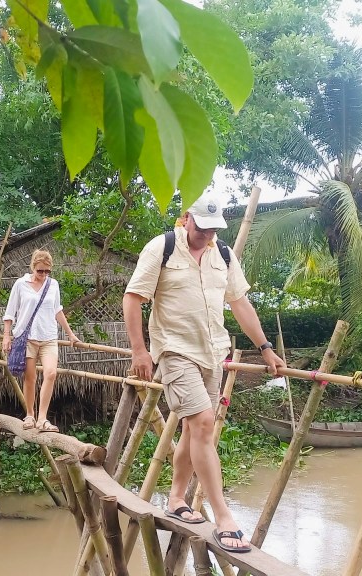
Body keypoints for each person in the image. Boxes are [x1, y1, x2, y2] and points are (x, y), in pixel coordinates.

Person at [123, 194, 284, 553]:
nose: (207, 235)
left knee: (192, 427)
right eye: (201, 227)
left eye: (213, 230)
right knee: (204, 424)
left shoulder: (223, 254)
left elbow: (239, 302)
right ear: (186, 219)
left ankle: (177, 497)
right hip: (175, 351)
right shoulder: (161, 247)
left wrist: (266, 348)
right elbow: (133, 297)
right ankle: (223, 515)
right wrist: (139, 350)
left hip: (214, 352)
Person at [3, 249, 80, 432]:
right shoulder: (20, 284)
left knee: (51, 373)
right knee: (30, 377)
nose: (43, 275)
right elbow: (9, 312)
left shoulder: (53, 285)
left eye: (47, 271)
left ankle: (42, 418)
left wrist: (70, 334)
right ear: (33, 267)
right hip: (27, 337)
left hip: (49, 336)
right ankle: (29, 414)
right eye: (40, 271)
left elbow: (57, 310)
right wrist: (6, 335)